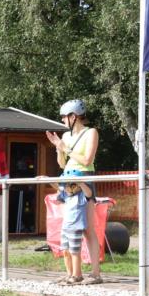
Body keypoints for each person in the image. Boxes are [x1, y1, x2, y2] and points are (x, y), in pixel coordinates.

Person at [45, 99, 102, 284]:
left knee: (88, 230)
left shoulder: (91, 132)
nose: (62, 120)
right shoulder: (66, 136)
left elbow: (87, 159)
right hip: (68, 179)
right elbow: (62, 163)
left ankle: (95, 273)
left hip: (84, 177)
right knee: (69, 228)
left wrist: (65, 148)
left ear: (73, 116)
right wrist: (58, 149)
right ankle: (72, 272)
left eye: (64, 117)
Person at [52, 172, 93, 285]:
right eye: (69, 185)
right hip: (65, 227)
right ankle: (69, 273)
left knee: (75, 252)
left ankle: (77, 275)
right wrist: (50, 181)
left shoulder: (81, 195)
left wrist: (80, 182)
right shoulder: (66, 195)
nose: (70, 187)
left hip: (76, 227)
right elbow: (59, 190)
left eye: (73, 185)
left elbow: (89, 193)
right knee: (65, 251)